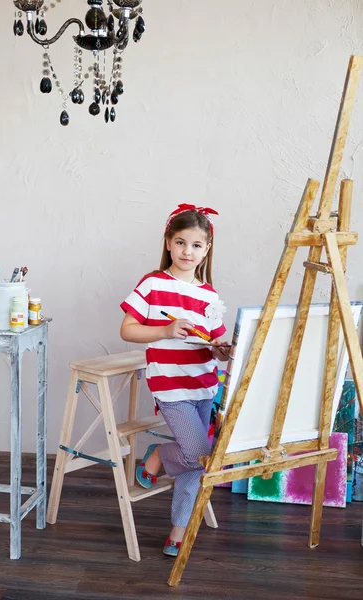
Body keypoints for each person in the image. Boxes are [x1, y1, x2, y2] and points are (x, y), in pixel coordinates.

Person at [120, 203, 229, 557]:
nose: (188, 252)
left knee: (196, 463)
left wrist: (223, 350)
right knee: (199, 453)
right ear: (168, 242)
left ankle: (177, 532)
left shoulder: (209, 295)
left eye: (196, 245)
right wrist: (165, 329)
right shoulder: (153, 283)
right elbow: (127, 330)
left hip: (204, 384)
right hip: (170, 384)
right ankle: (157, 454)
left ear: (207, 249)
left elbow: (214, 343)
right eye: (181, 243)